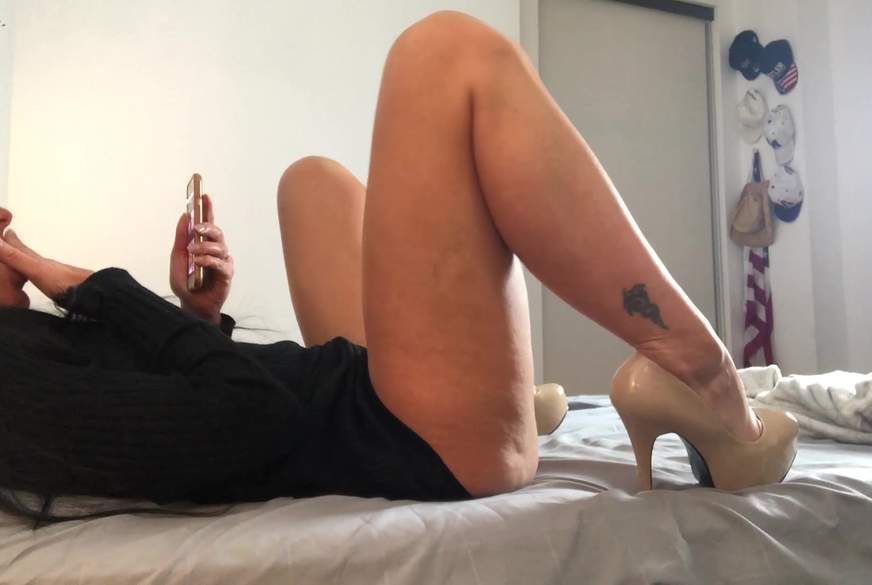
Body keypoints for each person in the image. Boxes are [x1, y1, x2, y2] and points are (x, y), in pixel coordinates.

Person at [0, 10, 796, 525]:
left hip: (361, 394)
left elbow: (199, 412)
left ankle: (502, 389)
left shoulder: (32, 357)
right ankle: (705, 375)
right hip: (409, 443)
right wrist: (94, 285)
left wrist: (197, 315)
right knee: (445, 55)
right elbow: (254, 416)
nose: (6, 223)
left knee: (310, 183)